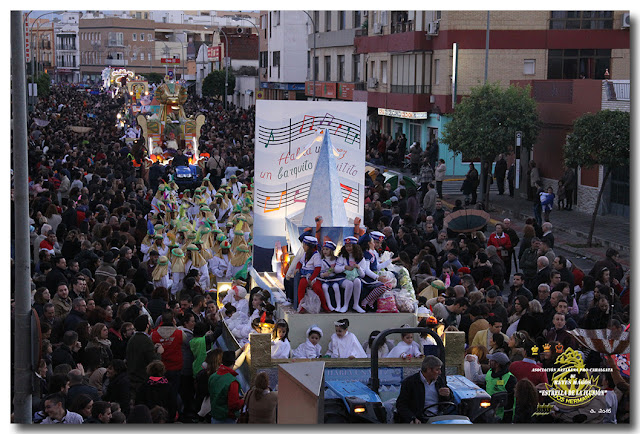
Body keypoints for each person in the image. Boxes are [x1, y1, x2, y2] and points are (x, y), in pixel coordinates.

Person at [395, 355, 452, 423]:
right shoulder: (410, 382)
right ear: (428, 369)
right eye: (437, 369)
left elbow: (449, 400)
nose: (440, 372)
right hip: (420, 419)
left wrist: (447, 395)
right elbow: (401, 404)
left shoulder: (439, 381)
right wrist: (412, 418)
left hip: (438, 417)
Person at [208, 350, 244, 424]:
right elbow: (234, 405)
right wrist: (244, 399)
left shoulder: (212, 377)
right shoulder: (232, 381)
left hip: (214, 416)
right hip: (226, 419)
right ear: (234, 363)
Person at [484, 352, 516, 423]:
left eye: (491, 360)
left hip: (502, 415)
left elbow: (511, 400)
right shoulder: (489, 372)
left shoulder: (510, 378)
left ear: (497, 364)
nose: (489, 361)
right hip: (487, 411)